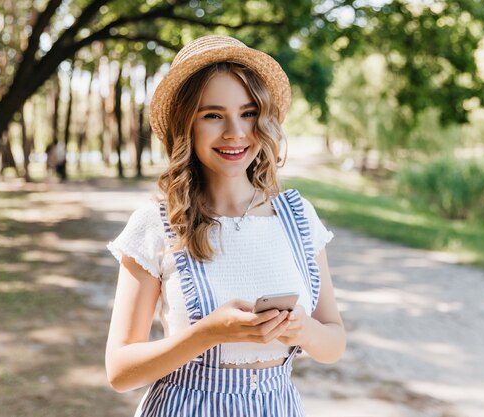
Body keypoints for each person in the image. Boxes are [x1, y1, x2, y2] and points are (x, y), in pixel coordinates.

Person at [105, 35, 346, 416]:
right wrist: (208, 334)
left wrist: (303, 330)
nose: (235, 131)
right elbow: (120, 372)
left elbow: (333, 342)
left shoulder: (298, 218)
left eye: (248, 112)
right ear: (187, 125)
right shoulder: (157, 223)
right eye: (213, 115)